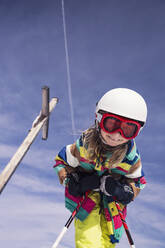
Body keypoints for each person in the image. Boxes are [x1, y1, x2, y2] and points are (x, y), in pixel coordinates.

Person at [53, 88, 147, 248]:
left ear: (137, 132)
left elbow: (138, 183)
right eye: (111, 124)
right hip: (87, 199)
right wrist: (73, 182)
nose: (117, 135)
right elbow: (61, 162)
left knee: (108, 242)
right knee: (89, 240)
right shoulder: (83, 147)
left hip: (113, 208)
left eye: (127, 129)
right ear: (99, 119)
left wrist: (124, 192)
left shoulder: (132, 159)